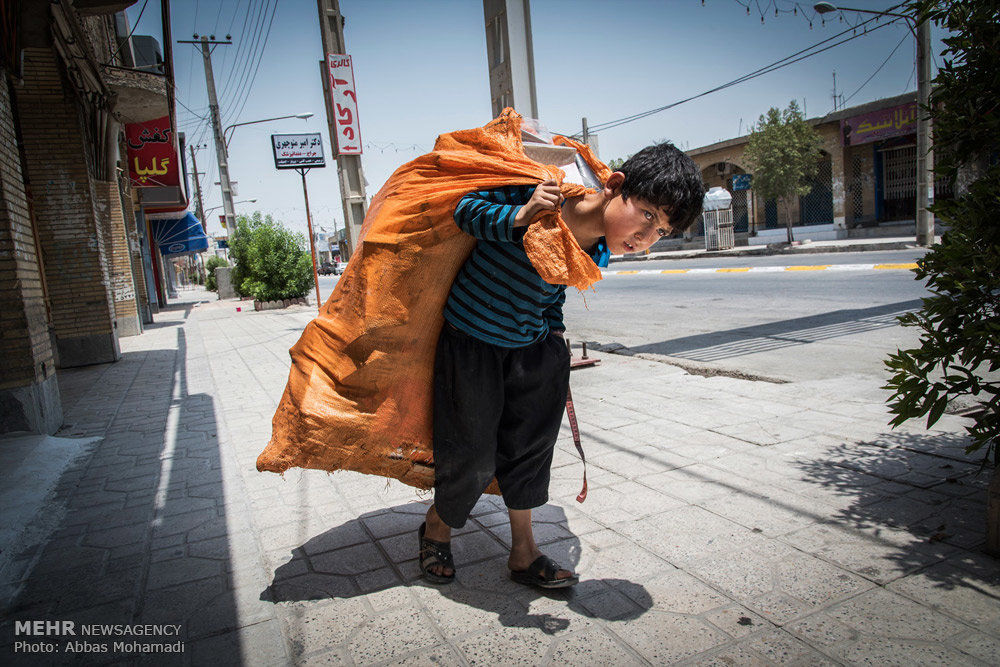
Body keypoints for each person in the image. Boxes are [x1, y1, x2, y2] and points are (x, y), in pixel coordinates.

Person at [418, 142, 705, 588]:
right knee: (471, 453)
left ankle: (523, 552)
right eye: (648, 215)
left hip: (534, 348)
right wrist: (521, 215)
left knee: (530, 451)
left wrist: (553, 338)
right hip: (472, 339)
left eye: (662, 232)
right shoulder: (547, 187)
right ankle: (437, 527)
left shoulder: (595, 246)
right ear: (615, 186)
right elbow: (466, 210)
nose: (646, 237)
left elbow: (553, 290)